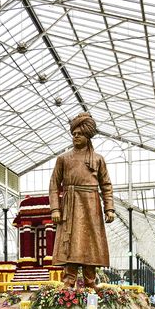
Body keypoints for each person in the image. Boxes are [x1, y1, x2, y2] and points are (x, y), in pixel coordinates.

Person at [49, 112, 115, 288]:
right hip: (70, 205)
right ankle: (68, 282)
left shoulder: (98, 159)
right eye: (74, 134)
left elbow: (106, 184)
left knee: (90, 244)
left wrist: (109, 208)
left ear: (88, 136)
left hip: (91, 204)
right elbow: (54, 185)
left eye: (79, 134)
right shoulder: (63, 158)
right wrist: (55, 209)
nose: (75, 136)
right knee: (70, 243)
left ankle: (90, 283)